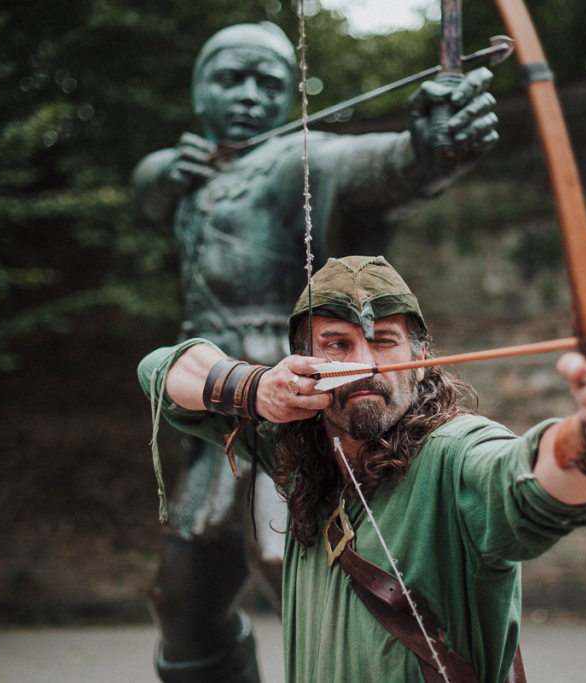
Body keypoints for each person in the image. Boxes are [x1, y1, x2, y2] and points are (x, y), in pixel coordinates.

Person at [132, 22, 501, 683]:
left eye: (269, 83)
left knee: (319, 576)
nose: (248, 96)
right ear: (198, 93)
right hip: (218, 410)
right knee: (182, 606)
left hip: (295, 407)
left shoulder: (297, 161)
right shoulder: (192, 175)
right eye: (229, 79)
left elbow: (377, 166)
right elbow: (152, 186)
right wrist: (167, 172)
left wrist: (430, 149)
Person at [139, 255, 586, 683]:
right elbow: (159, 370)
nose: (365, 362)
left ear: (419, 355)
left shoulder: (454, 454)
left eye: (384, 341)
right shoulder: (295, 451)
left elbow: (524, 480)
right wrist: (252, 389)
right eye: (337, 345)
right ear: (302, 365)